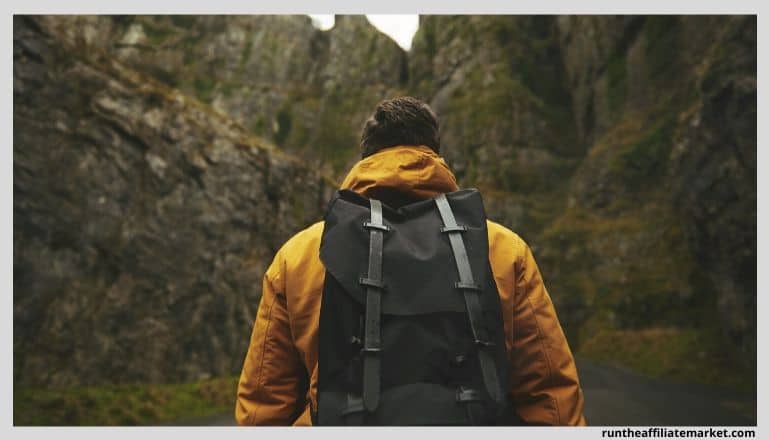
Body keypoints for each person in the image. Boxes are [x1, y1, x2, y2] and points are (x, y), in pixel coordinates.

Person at [235, 96, 586, 426]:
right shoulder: (503, 248)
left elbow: (264, 408)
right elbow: (550, 395)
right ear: (434, 153)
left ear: (366, 156)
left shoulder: (300, 255)